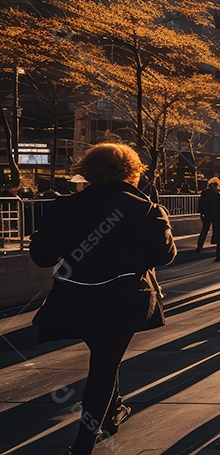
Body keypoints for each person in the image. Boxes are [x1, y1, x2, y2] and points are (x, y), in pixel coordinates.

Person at [30, 143, 176, 454]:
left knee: (105, 355)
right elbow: (164, 255)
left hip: (74, 298)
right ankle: (83, 442)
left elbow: (42, 256)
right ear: (131, 172)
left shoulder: (63, 207)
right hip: (122, 299)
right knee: (104, 365)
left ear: (89, 171)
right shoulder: (143, 208)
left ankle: (113, 411)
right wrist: (160, 220)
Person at [195, 177, 220, 253]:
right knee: (216, 230)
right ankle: (217, 247)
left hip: (206, 214)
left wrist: (201, 212)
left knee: (204, 230)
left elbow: (201, 203)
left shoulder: (205, 193)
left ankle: (199, 246)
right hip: (214, 214)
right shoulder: (217, 194)